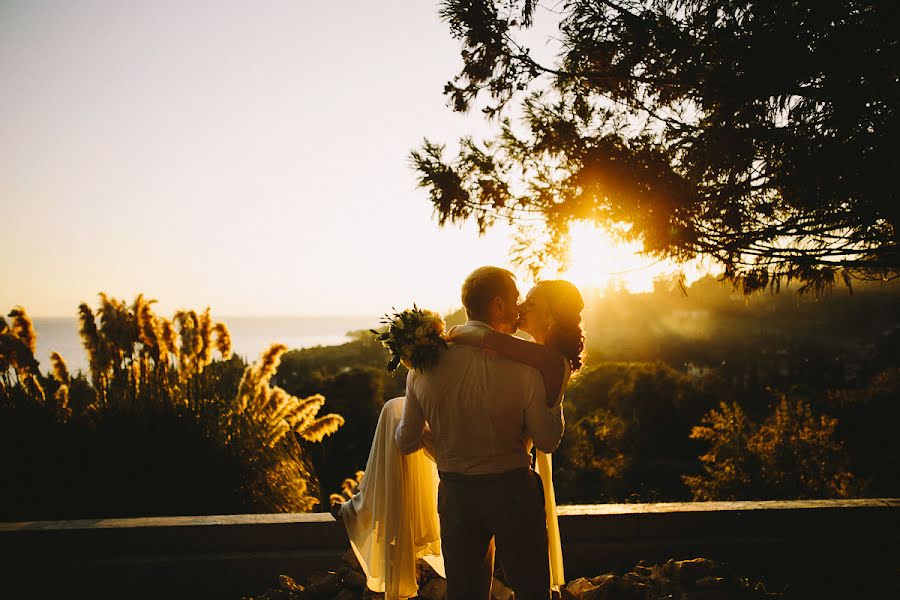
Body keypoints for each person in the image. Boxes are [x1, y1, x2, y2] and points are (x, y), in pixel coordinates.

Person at [334, 268, 585, 600]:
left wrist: (435, 434)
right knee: (531, 590)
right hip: (513, 490)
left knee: (466, 593)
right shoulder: (526, 366)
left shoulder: (424, 367)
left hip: (456, 495)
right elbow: (547, 440)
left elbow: (405, 441)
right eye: (515, 298)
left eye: (527, 301)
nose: (520, 305)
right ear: (497, 304)